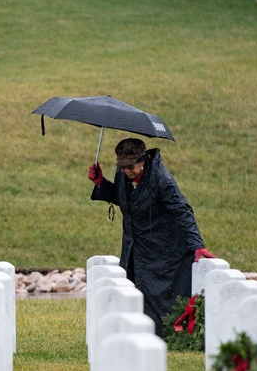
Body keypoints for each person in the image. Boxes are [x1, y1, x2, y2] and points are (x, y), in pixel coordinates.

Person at [88, 137, 214, 335]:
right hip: (134, 247)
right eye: (122, 166)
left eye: (130, 166)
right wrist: (101, 182)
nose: (126, 171)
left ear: (142, 161)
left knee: (159, 295)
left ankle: (165, 336)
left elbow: (182, 210)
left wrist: (197, 244)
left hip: (163, 249)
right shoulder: (124, 175)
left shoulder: (162, 179)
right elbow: (125, 200)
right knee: (133, 289)